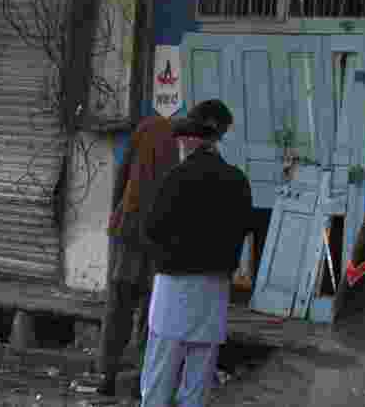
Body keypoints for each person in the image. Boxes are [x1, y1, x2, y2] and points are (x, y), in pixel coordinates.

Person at [140, 100, 253, 407]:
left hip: (174, 287)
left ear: (192, 140)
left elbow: (152, 228)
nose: (180, 144)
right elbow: (245, 227)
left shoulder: (176, 177)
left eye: (182, 139)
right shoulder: (238, 181)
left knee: (159, 375)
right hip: (214, 289)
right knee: (198, 382)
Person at [86, 115, 178, 398]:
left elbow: (120, 182)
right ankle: (143, 378)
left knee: (118, 309)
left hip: (126, 233)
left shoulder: (142, 136)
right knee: (152, 313)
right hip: (156, 240)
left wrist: (118, 215)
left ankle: (107, 375)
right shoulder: (175, 156)